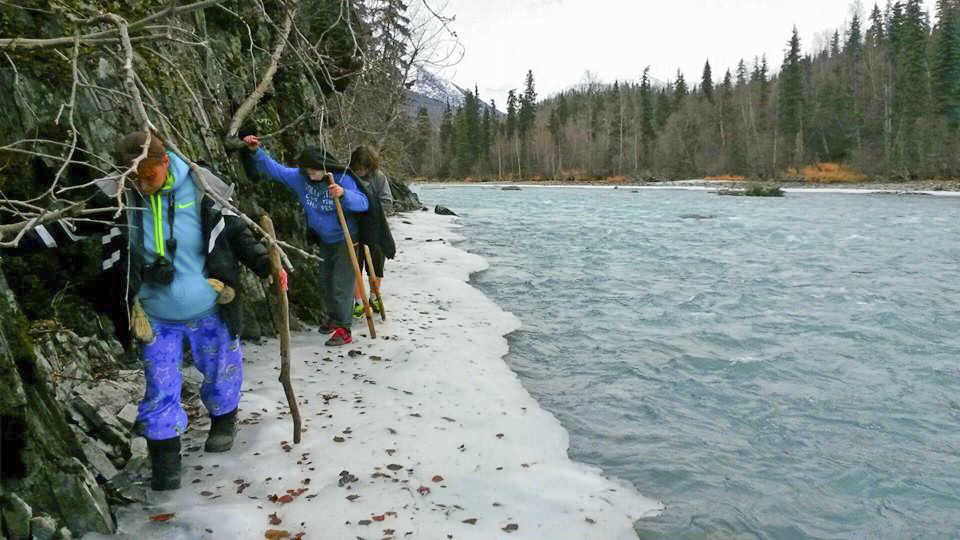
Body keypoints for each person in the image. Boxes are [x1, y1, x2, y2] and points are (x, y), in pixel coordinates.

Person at [11, 131, 281, 491]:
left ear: (165, 161)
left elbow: (235, 233)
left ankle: (223, 419)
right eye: (133, 177)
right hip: (153, 316)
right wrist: (13, 238)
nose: (141, 183)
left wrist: (267, 266)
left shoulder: (201, 187)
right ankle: (166, 465)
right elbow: (69, 226)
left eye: (148, 175)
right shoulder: (118, 194)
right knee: (160, 387)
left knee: (221, 372)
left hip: (209, 307)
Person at [241, 134, 368, 346]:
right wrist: (256, 152)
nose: (310, 174)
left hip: (346, 238)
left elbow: (363, 203)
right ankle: (334, 318)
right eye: (307, 171)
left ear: (323, 166)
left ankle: (344, 328)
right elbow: (276, 170)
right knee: (326, 280)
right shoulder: (301, 178)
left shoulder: (342, 177)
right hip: (324, 239)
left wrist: (344, 193)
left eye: (314, 170)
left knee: (341, 283)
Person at [348, 145, 393, 317]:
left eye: (364, 168)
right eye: (358, 168)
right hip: (355, 228)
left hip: (376, 228)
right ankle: (359, 302)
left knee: (376, 266)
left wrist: (371, 210)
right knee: (355, 266)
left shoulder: (378, 177)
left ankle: (374, 296)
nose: (360, 172)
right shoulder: (349, 176)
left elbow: (387, 201)